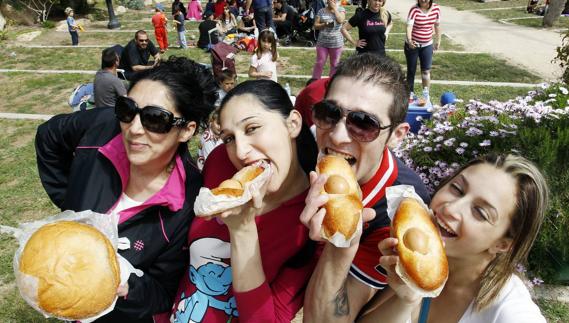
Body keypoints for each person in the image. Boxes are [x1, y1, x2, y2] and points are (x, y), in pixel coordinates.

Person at [35, 57, 219, 321]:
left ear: (186, 130)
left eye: (155, 118)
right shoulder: (102, 127)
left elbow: (162, 292)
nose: (134, 128)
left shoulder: (187, 203)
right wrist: (70, 202)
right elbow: (48, 136)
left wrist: (128, 288)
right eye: (127, 109)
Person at [169, 79, 319, 322]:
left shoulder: (312, 220)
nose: (240, 152)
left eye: (251, 129)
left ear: (292, 124)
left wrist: (242, 230)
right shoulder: (220, 162)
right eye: (229, 138)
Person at [300, 53, 430, 322]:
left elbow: (326, 320)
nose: (336, 135)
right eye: (329, 113)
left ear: (396, 135)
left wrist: (342, 242)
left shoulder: (397, 210)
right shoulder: (301, 148)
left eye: (363, 124)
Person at [361, 154, 548, 323]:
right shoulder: (423, 266)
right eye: (457, 189)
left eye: (480, 212)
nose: (450, 209)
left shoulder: (509, 310)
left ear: (502, 244)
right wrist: (406, 300)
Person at [404, 0, 441, 96]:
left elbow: (437, 25)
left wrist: (438, 40)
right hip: (413, 45)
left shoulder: (436, 8)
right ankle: (410, 94)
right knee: (411, 71)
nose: (423, 0)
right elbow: (409, 27)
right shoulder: (414, 10)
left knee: (426, 71)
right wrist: (410, 40)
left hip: (427, 45)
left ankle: (426, 94)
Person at [312, 0, 345, 80]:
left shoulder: (341, 9)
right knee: (320, 63)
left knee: (335, 64)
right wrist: (324, 25)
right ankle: (315, 81)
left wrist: (335, 9)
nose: (332, 1)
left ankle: (331, 82)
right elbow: (315, 25)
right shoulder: (321, 11)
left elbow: (341, 20)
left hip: (336, 43)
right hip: (322, 42)